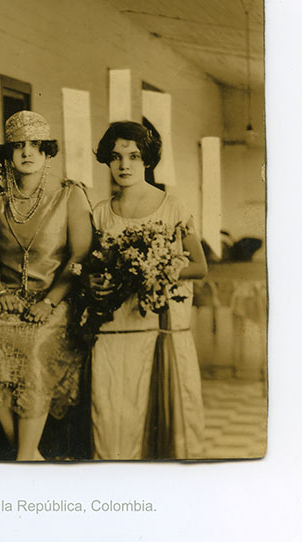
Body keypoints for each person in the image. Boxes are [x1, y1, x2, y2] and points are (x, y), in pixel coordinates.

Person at [0, 111, 92, 461]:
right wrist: (0, 293)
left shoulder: (70, 196)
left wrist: (50, 302)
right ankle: (31, 456)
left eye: (36, 146)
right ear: (8, 154)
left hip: (54, 298)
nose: (27, 153)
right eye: (19, 146)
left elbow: (79, 255)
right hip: (5, 299)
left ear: (47, 152)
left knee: (36, 345)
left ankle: (24, 457)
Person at [90, 121, 207, 460]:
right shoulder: (100, 212)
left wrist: (156, 269)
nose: (124, 165)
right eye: (115, 157)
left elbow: (199, 266)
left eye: (134, 156)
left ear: (147, 161)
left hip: (160, 328)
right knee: (111, 415)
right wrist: (94, 281)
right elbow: (90, 269)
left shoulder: (173, 206)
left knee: (162, 417)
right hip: (113, 330)